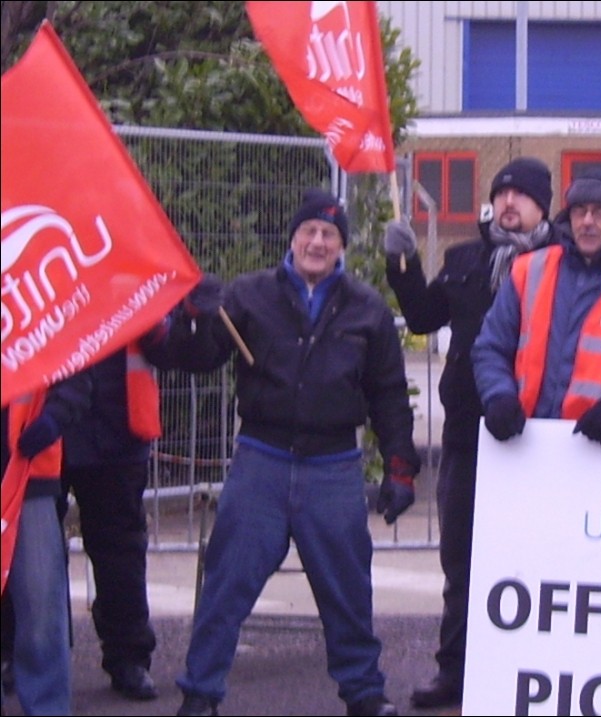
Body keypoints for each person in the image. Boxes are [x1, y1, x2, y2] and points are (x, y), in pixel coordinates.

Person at [161, 188, 422, 717]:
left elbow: (389, 395)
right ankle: (200, 693)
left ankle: (364, 693)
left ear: (343, 247)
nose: (318, 242)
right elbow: (199, 358)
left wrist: (400, 466)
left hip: (333, 470)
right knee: (227, 583)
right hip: (262, 461)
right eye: (309, 231)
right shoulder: (249, 295)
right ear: (293, 237)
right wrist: (193, 316)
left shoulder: (367, 310)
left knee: (348, 588)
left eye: (329, 235)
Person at [383, 157, 555, 709]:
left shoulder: (564, 262)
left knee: (537, 565)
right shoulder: (464, 258)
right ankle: (454, 674)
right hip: (468, 434)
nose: (510, 203)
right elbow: (423, 318)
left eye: (522, 196)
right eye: (502, 193)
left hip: (542, 443)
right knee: (461, 563)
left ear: (542, 207)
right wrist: (402, 263)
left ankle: (533, 672)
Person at [472, 168, 601, 449]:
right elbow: (491, 346)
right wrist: (498, 396)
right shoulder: (528, 270)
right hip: (526, 443)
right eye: (580, 211)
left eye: (599, 213)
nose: (588, 222)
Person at [56, 341, 175, 702]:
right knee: (28, 552)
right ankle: (19, 651)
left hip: (116, 422)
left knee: (121, 554)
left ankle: (128, 656)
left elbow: (167, 346)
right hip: (40, 423)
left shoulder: (131, 281)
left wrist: (189, 316)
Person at [1, 374, 91, 716]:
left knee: (40, 605)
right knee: (40, 605)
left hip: (28, 470)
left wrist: (56, 416)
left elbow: (77, 372)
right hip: (28, 462)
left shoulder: (43, 317)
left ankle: (48, 707)